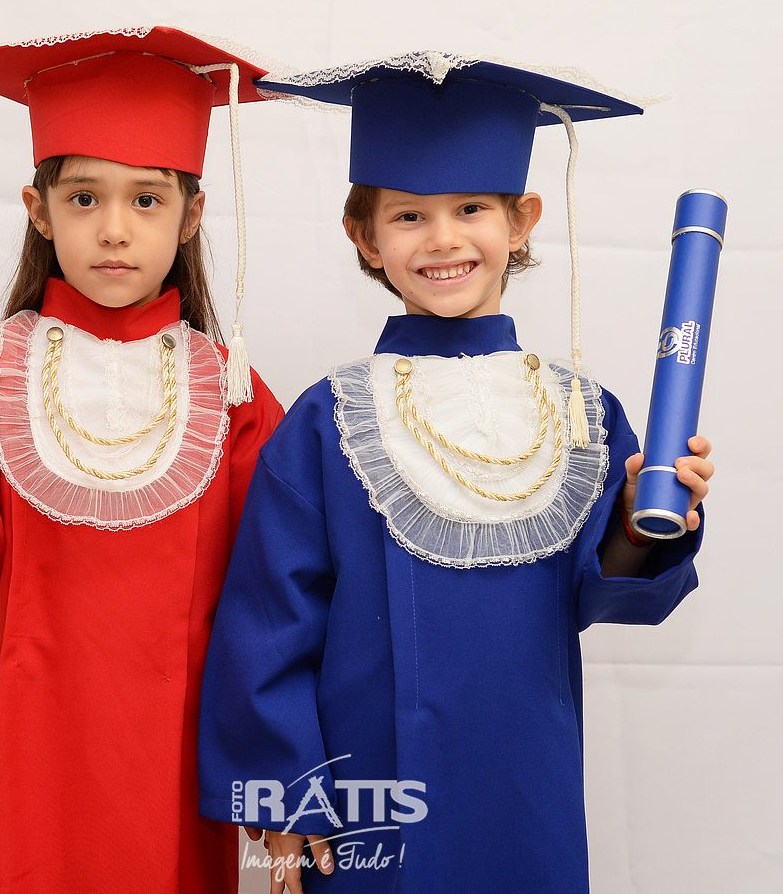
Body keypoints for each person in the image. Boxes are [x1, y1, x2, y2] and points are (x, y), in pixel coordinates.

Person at [198, 54, 716, 892]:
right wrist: (285, 801)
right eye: (408, 215)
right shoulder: (330, 420)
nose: (442, 239)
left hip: (526, 776)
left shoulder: (579, 414)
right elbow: (268, 621)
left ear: (521, 222)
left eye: (471, 208)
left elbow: (607, 595)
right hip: (369, 789)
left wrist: (639, 516)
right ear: (364, 237)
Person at [0, 28, 282, 893]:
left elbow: (276, 597)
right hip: (22, 743)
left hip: (171, 754)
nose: (114, 230)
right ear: (39, 210)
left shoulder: (232, 392)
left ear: (191, 216)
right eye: (84, 198)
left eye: (147, 200)